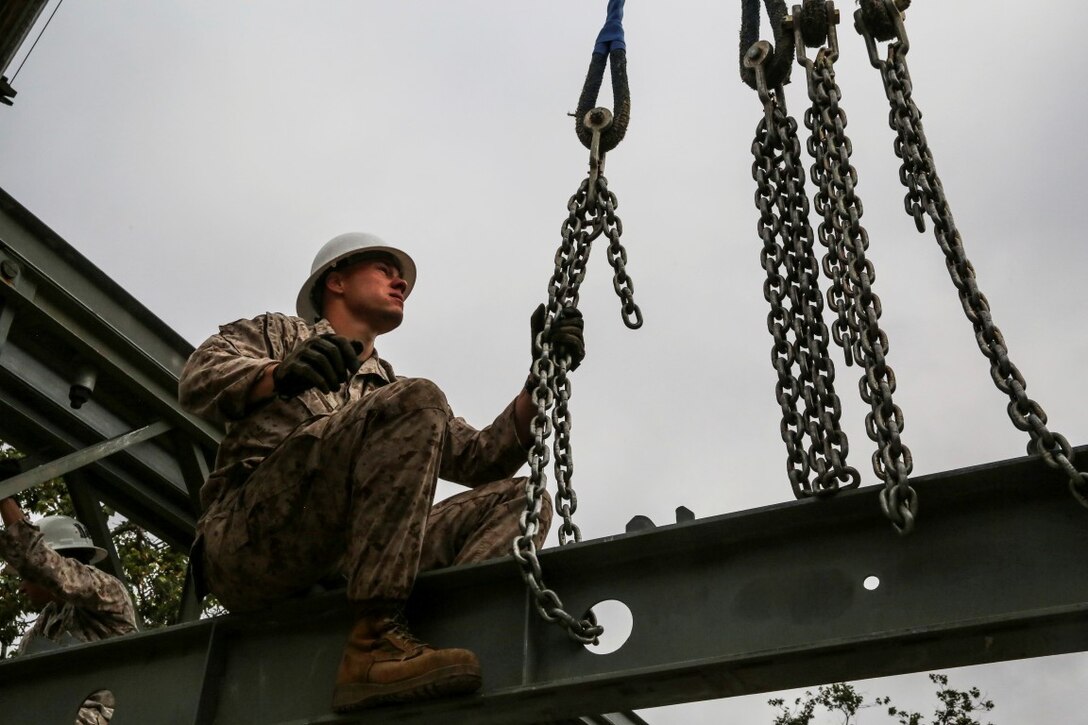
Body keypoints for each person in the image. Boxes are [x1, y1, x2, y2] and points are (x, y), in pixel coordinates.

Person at [178, 232, 585, 713]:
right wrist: (281, 374)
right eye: (384, 270)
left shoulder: (390, 392)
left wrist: (541, 376)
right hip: (251, 542)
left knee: (521, 501)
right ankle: (373, 645)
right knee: (418, 398)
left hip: (344, 565)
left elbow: (482, 459)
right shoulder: (278, 335)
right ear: (337, 281)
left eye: (403, 279)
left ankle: (439, 648)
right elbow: (197, 378)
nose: (400, 283)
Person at [0, 477, 138, 725]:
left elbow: (41, 564)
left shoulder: (106, 591)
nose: (21, 587)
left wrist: (5, 500)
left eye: (25, 577)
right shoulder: (46, 624)